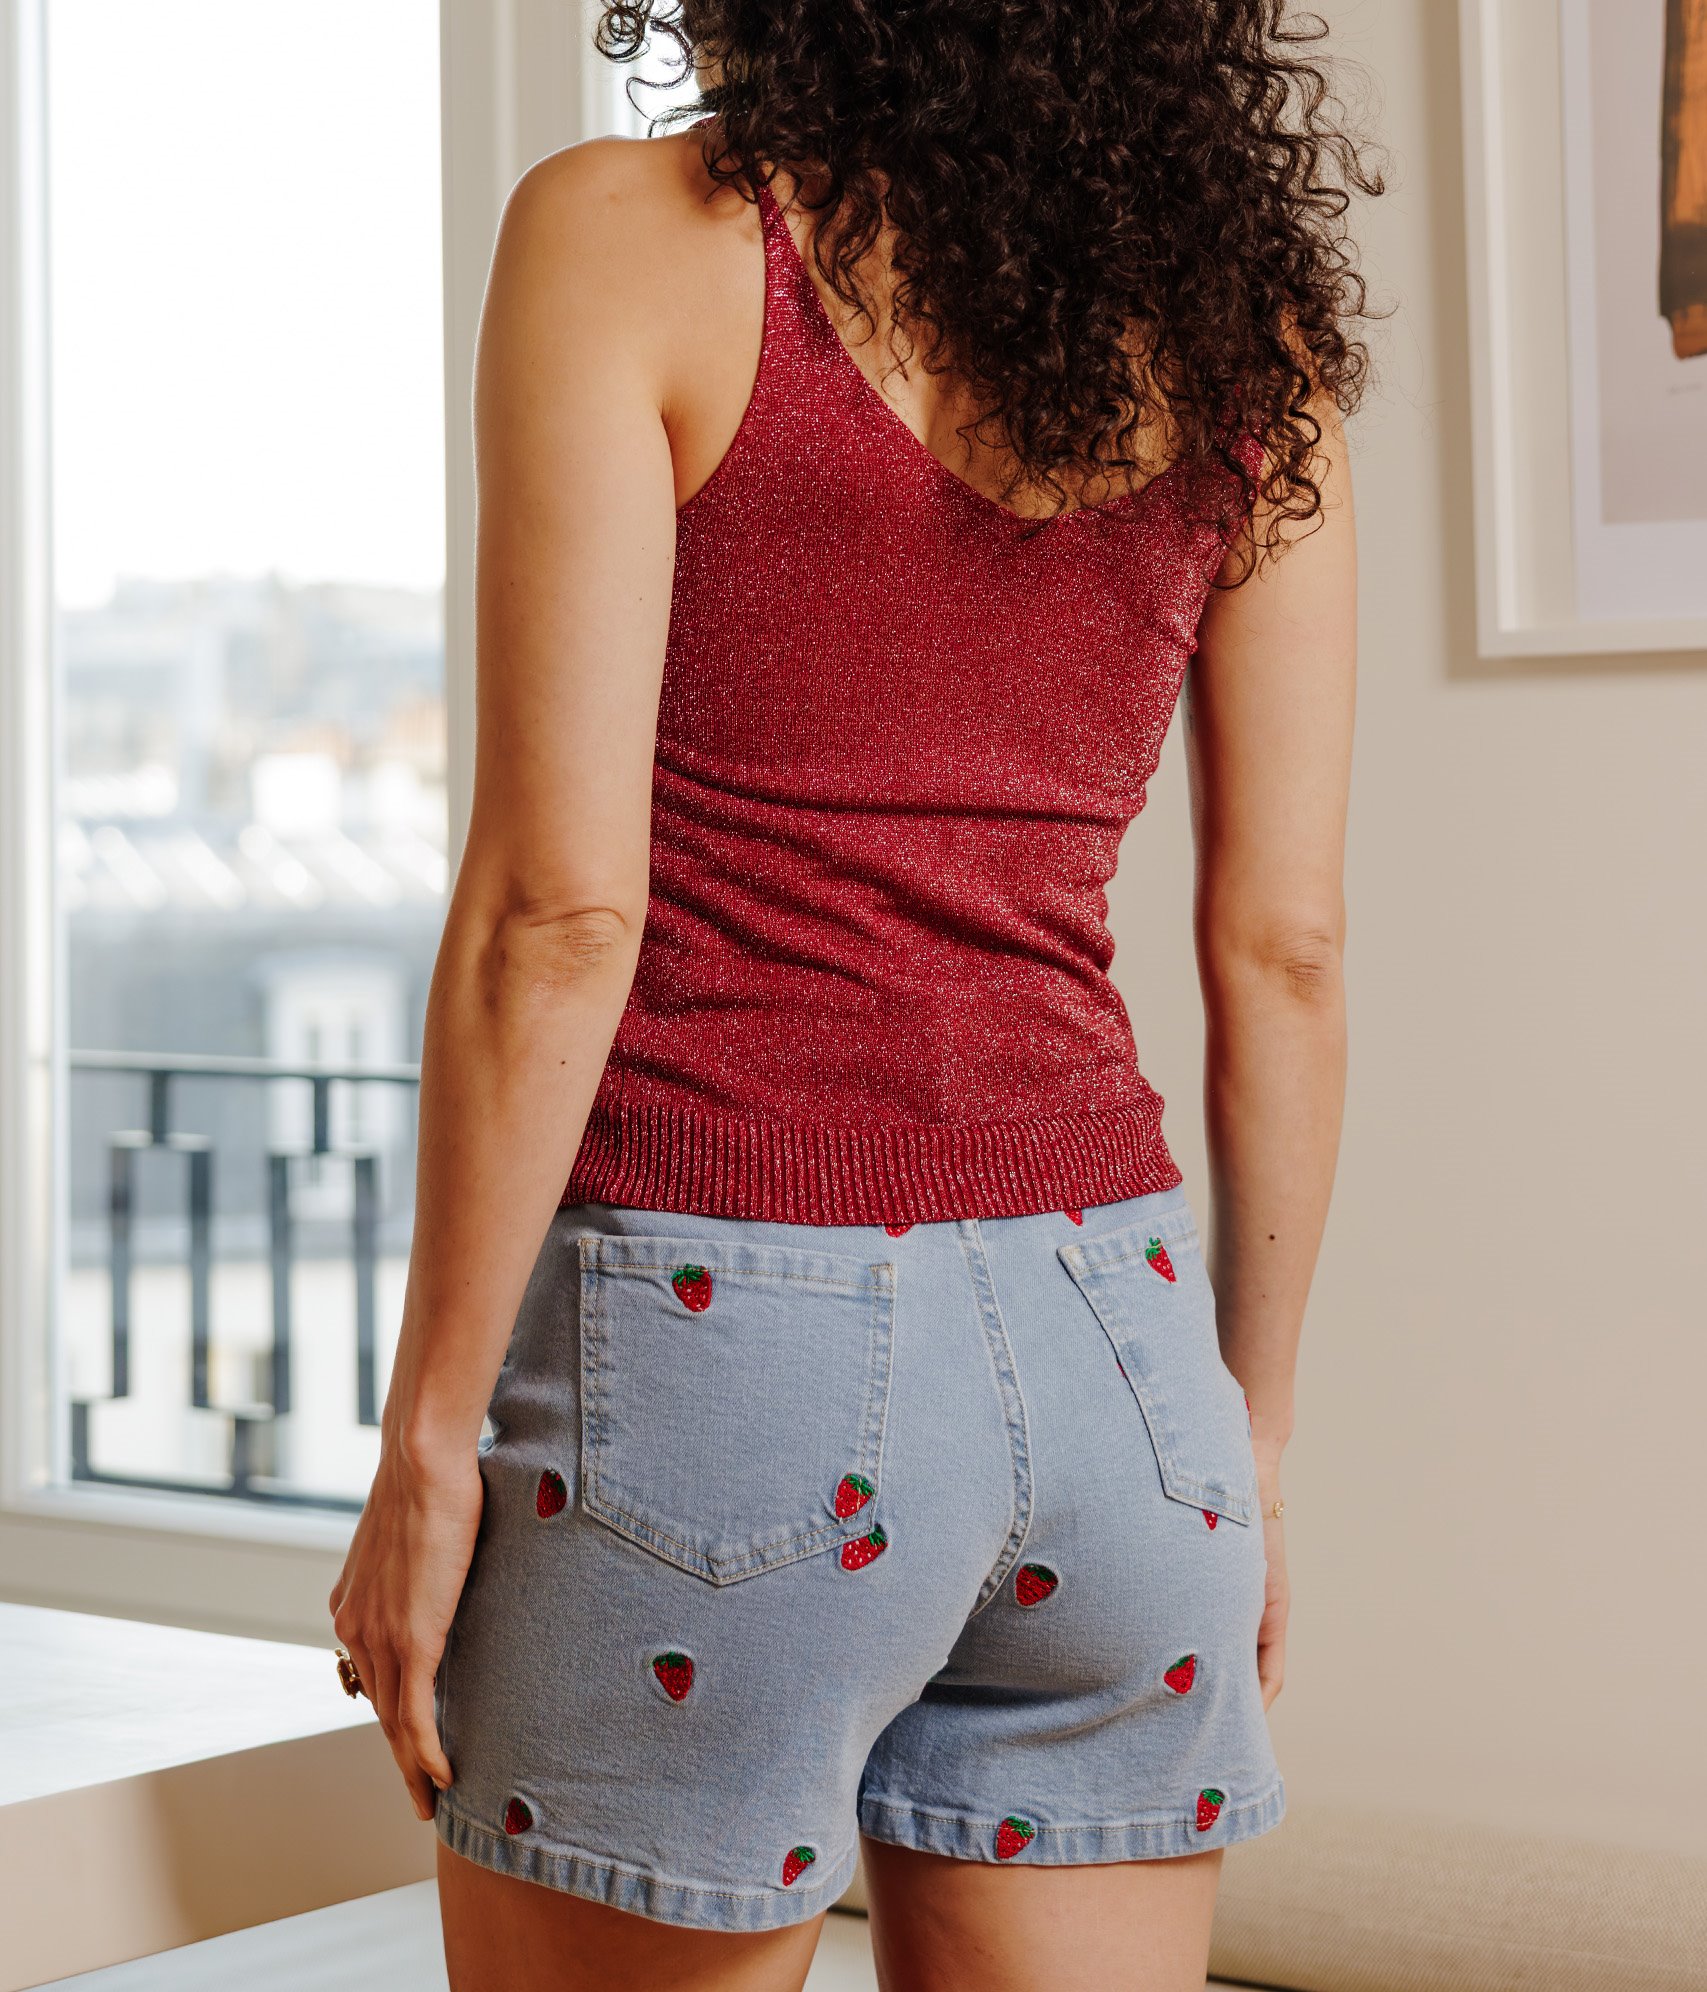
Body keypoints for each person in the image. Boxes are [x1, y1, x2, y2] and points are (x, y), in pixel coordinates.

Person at [328, 5, 1379, 1986]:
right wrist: (1249, 1442)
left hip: (719, 1355)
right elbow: (1285, 949)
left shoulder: (627, 233)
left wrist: (426, 1442)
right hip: (1125, 1360)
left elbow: (557, 918)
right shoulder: (1247, 338)